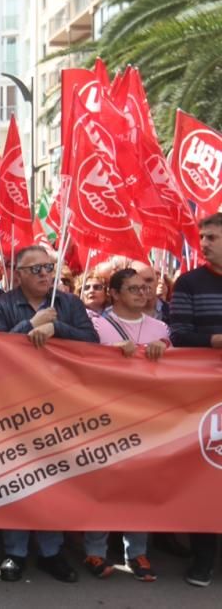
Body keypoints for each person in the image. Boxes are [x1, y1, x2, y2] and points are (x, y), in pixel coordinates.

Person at [0, 245, 98, 583]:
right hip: (14, 402)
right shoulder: (0, 305)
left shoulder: (69, 303)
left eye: (49, 267)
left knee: (53, 476)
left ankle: (52, 551)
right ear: (18, 274)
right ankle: (14, 551)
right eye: (36, 269)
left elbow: (91, 342)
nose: (45, 274)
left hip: (59, 401)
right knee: (17, 476)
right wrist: (31, 324)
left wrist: (57, 329)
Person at [82, 267, 169, 583]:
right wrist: (109, 354)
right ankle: (95, 549)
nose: (141, 292)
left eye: (144, 287)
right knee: (103, 485)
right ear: (115, 293)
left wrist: (167, 348)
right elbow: (81, 361)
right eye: (132, 288)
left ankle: (137, 552)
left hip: (146, 417)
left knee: (139, 485)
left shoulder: (160, 327)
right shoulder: (97, 325)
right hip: (105, 417)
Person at [168, 212, 222, 588]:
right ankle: (203, 561)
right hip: (206, 393)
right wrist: (217, 341)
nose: (204, 243)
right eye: (202, 237)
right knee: (209, 475)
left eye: (213, 237)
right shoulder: (188, 283)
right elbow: (180, 334)